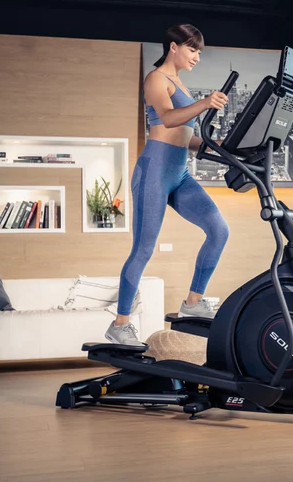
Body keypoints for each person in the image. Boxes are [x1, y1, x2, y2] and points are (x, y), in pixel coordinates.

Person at [105, 23, 231, 347]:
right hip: (154, 172)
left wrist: (216, 146)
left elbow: (184, 136)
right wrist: (204, 103)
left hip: (179, 174)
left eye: (199, 51)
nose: (197, 57)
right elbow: (169, 118)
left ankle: (192, 303)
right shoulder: (155, 79)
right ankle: (120, 324)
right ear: (173, 46)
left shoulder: (179, 84)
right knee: (143, 250)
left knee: (219, 230)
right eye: (193, 49)